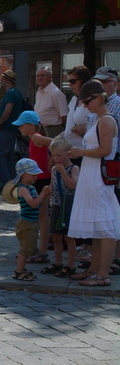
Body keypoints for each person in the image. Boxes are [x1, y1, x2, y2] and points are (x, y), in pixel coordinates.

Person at [66, 80, 120, 287]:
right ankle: (93, 270)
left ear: (98, 98)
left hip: (99, 178)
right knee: (97, 228)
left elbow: (105, 151)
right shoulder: (98, 119)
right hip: (92, 176)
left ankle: (102, 275)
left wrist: (81, 152)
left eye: (87, 102)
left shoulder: (106, 120)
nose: (85, 106)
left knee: (105, 227)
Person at [9, 157, 49, 281]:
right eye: (32, 174)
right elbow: (33, 203)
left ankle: (22, 268)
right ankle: (19, 271)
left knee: (29, 247)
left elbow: (38, 202)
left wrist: (45, 196)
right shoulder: (23, 189)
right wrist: (43, 193)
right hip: (26, 223)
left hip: (32, 222)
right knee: (24, 249)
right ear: (23, 175)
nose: (35, 177)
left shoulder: (31, 188)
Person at [46, 134, 79, 276]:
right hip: (56, 204)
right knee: (56, 235)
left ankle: (70, 265)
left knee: (68, 236)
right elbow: (52, 184)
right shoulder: (54, 169)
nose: (56, 158)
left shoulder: (73, 168)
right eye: (53, 155)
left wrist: (63, 173)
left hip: (68, 205)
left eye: (59, 155)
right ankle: (58, 262)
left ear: (68, 154)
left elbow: (73, 186)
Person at [0, 70, 25, 189]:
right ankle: (12, 182)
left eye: (3, 79)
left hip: (6, 128)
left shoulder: (10, 93)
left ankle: (6, 184)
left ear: (7, 80)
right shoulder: (17, 93)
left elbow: (8, 110)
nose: (2, 81)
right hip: (13, 128)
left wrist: (0, 123)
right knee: (9, 156)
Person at [34, 66, 68, 133]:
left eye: (43, 75)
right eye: (38, 76)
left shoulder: (55, 93)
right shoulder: (38, 92)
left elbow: (64, 116)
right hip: (41, 129)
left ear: (50, 77)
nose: (40, 78)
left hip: (54, 130)